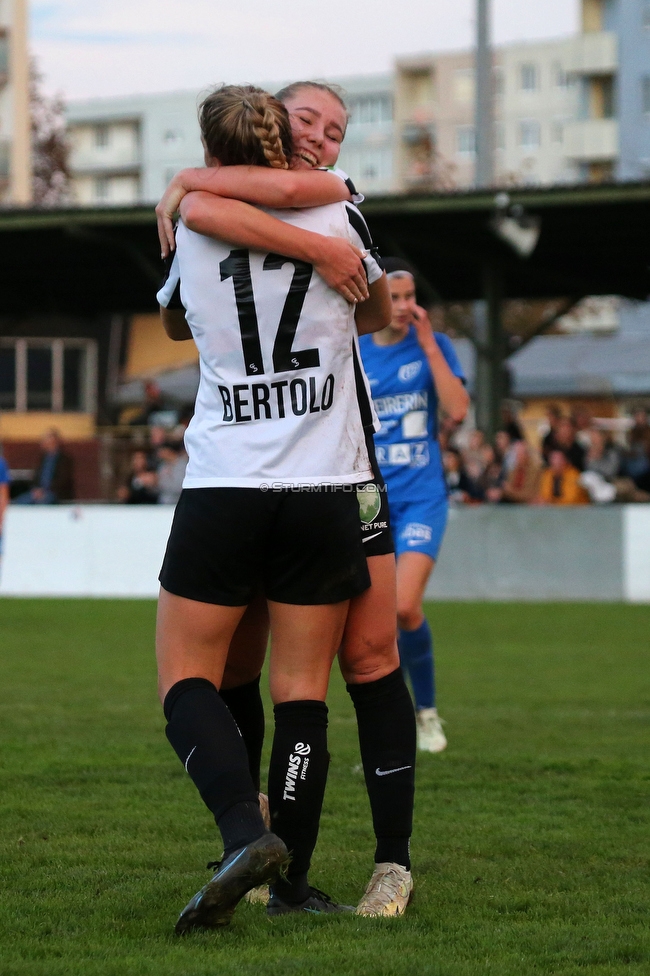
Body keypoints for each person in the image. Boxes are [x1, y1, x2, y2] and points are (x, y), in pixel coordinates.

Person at [157, 81, 418, 918]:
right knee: (294, 684)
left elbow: (175, 319)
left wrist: (189, 190)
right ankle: (289, 875)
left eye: (337, 130)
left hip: (270, 482)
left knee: (366, 658)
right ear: (276, 130)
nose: (323, 138)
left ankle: (355, 855)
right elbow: (373, 305)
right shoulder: (338, 219)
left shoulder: (195, 210)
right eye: (308, 120)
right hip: (328, 488)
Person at [358, 260, 469, 753]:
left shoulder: (435, 347)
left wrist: (428, 346)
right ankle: (394, 727)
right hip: (367, 499)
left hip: (422, 496)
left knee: (404, 607)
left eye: (410, 296)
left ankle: (425, 713)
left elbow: (458, 409)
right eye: (395, 297)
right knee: (372, 624)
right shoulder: (354, 350)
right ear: (373, 300)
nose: (405, 307)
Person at [13, 429, 74, 504]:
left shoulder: (64, 460)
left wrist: (44, 491)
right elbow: (36, 478)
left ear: (54, 442)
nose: (42, 443)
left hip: (54, 493)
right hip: (38, 492)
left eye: (45, 440)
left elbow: (62, 481)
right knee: (19, 502)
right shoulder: (43, 459)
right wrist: (36, 490)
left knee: (42, 502)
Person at [156, 441, 188, 505]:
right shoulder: (162, 466)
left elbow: (180, 486)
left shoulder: (183, 465)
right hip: (162, 504)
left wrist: (159, 483)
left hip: (177, 502)